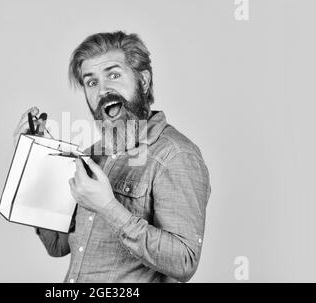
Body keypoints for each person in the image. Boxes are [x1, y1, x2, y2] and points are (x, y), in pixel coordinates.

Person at [13, 31, 211, 283]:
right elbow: (57, 246)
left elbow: (184, 261)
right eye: (91, 82)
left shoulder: (176, 155)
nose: (103, 89)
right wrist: (35, 160)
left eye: (114, 75)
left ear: (144, 81)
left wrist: (109, 208)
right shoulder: (92, 156)